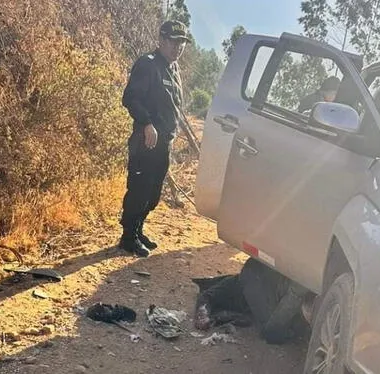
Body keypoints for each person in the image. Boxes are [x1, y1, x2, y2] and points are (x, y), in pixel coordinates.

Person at [119, 20, 190, 257]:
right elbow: (131, 97)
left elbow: (173, 106)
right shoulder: (148, 64)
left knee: (153, 194)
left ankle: (138, 231)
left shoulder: (173, 68)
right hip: (145, 140)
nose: (178, 47)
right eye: (173, 41)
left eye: (182, 42)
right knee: (139, 190)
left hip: (164, 143)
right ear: (161, 40)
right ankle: (128, 237)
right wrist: (147, 123)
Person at [193, 258, 310, 345]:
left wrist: (202, 315)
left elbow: (207, 296)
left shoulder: (236, 283)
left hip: (256, 278)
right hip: (263, 279)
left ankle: (298, 291)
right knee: (273, 331)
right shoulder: (245, 285)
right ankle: (298, 292)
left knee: (273, 332)